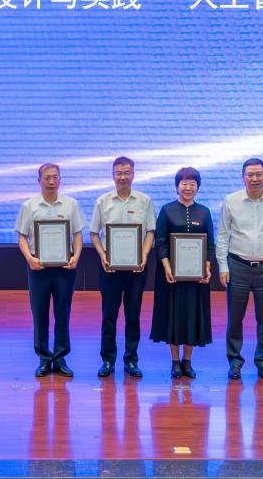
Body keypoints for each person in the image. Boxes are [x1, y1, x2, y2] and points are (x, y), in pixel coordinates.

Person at [216, 158, 263, 382]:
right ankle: (235, 362)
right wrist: (223, 265)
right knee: (235, 318)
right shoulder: (231, 201)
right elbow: (223, 235)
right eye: (250, 174)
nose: (254, 178)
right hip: (237, 265)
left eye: (259, 174)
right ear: (243, 177)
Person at [16, 163, 86, 377]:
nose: (51, 181)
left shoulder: (71, 204)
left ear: (60, 180)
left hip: (65, 267)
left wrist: (76, 256)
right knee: (40, 313)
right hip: (38, 268)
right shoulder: (29, 206)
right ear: (39, 181)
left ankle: (61, 358)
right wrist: (29, 258)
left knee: (63, 313)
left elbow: (77, 234)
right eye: (47, 177)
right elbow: (22, 237)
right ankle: (44, 359)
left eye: (55, 177)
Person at [90, 156, 156, 378]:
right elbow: (94, 233)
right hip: (110, 269)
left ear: (133, 175)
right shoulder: (103, 201)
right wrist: (103, 255)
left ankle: (131, 360)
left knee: (133, 316)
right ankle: (108, 360)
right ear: (113, 175)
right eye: (119, 173)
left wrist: (144, 255)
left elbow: (150, 232)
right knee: (109, 316)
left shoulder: (144, 201)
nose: (123, 177)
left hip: (137, 269)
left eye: (127, 173)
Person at [149, 167, 216, 379]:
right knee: (173, 315)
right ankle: (175, 362)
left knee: (192, 316)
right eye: (184, 183)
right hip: (171, 276)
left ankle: (188, 361)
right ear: (177, 186)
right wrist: (167, 268)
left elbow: (210, 244)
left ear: (198, 186)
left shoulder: (204, 212)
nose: (188, 187)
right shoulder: (167, 210)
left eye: (192, 184)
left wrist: (207, 267)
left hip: (196, 277)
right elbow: (160, 241)